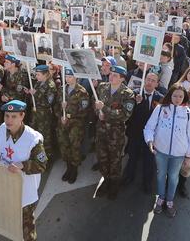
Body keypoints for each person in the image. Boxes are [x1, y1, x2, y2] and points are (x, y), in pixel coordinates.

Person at [0, 100, 47, 241]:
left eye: (14, 116)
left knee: (26, 227)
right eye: (7, 116)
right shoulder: (2, 129)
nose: (9, 120)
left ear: (22, 116)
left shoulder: (33, 138)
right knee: (11, 221)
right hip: (6, 184)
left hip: (25, 191)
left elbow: (42, 165)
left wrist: (22, 165)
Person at [144, 84, 190, 218]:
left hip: (178, 154)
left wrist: (189, 156)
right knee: (161, 175)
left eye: (180, 96)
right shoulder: (160, 108)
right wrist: (150, 141)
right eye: (175, 95)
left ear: (184, 97)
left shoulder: (188, 113)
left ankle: (169, 200)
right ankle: (161, 197)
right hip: (160, 151)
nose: (177, 98)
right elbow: (149, 127)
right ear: (170, 95)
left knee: (173, 177)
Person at [94, 65, 135, 199]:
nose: (111, 76)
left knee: (115, 160)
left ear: (122, 79)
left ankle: (114, 185)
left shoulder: (127, 93)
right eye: (111, 74)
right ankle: (106, 180)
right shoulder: (102, 87)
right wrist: (98, 112)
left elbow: (125, 115)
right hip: (101, 131)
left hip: (115, 134)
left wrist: (104, 109)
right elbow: (95, 104)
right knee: (102, 158)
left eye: (115, 75)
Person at [123, 72, 163, 194]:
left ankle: (147, 183)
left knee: (148, 160)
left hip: (150, 136)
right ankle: (128, 178)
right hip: (135, 133)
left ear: (157, 84)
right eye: (148, 79)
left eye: (153, 80)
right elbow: (128, 113)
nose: (149, 82)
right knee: (132, 157)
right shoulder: (134, 94)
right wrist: (137, 103)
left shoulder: (160, 98)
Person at [55, 68, 90, 183]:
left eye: (70, 77)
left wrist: (70, 112)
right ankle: (68, 166)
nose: (67, 78)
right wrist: (61, 114)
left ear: (76, 78)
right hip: (63, 122)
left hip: (75, 123)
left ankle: (74, 169)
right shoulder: (61, 90)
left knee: (74, 146)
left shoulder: (82, 91)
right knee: (64, 145)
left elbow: (84, 110)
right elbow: (56, 106)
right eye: (66, 76)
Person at [29, 65, 57, 160]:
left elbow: (49, 102)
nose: (36, 76)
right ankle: (36, 154)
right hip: (36, 114)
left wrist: (35, 94)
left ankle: (47, 158)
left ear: (45, 75)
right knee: (35, 134)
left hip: (44, 115)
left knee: (45, 136)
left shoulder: (50, 85)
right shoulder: (38, 83)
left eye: (38, 74)